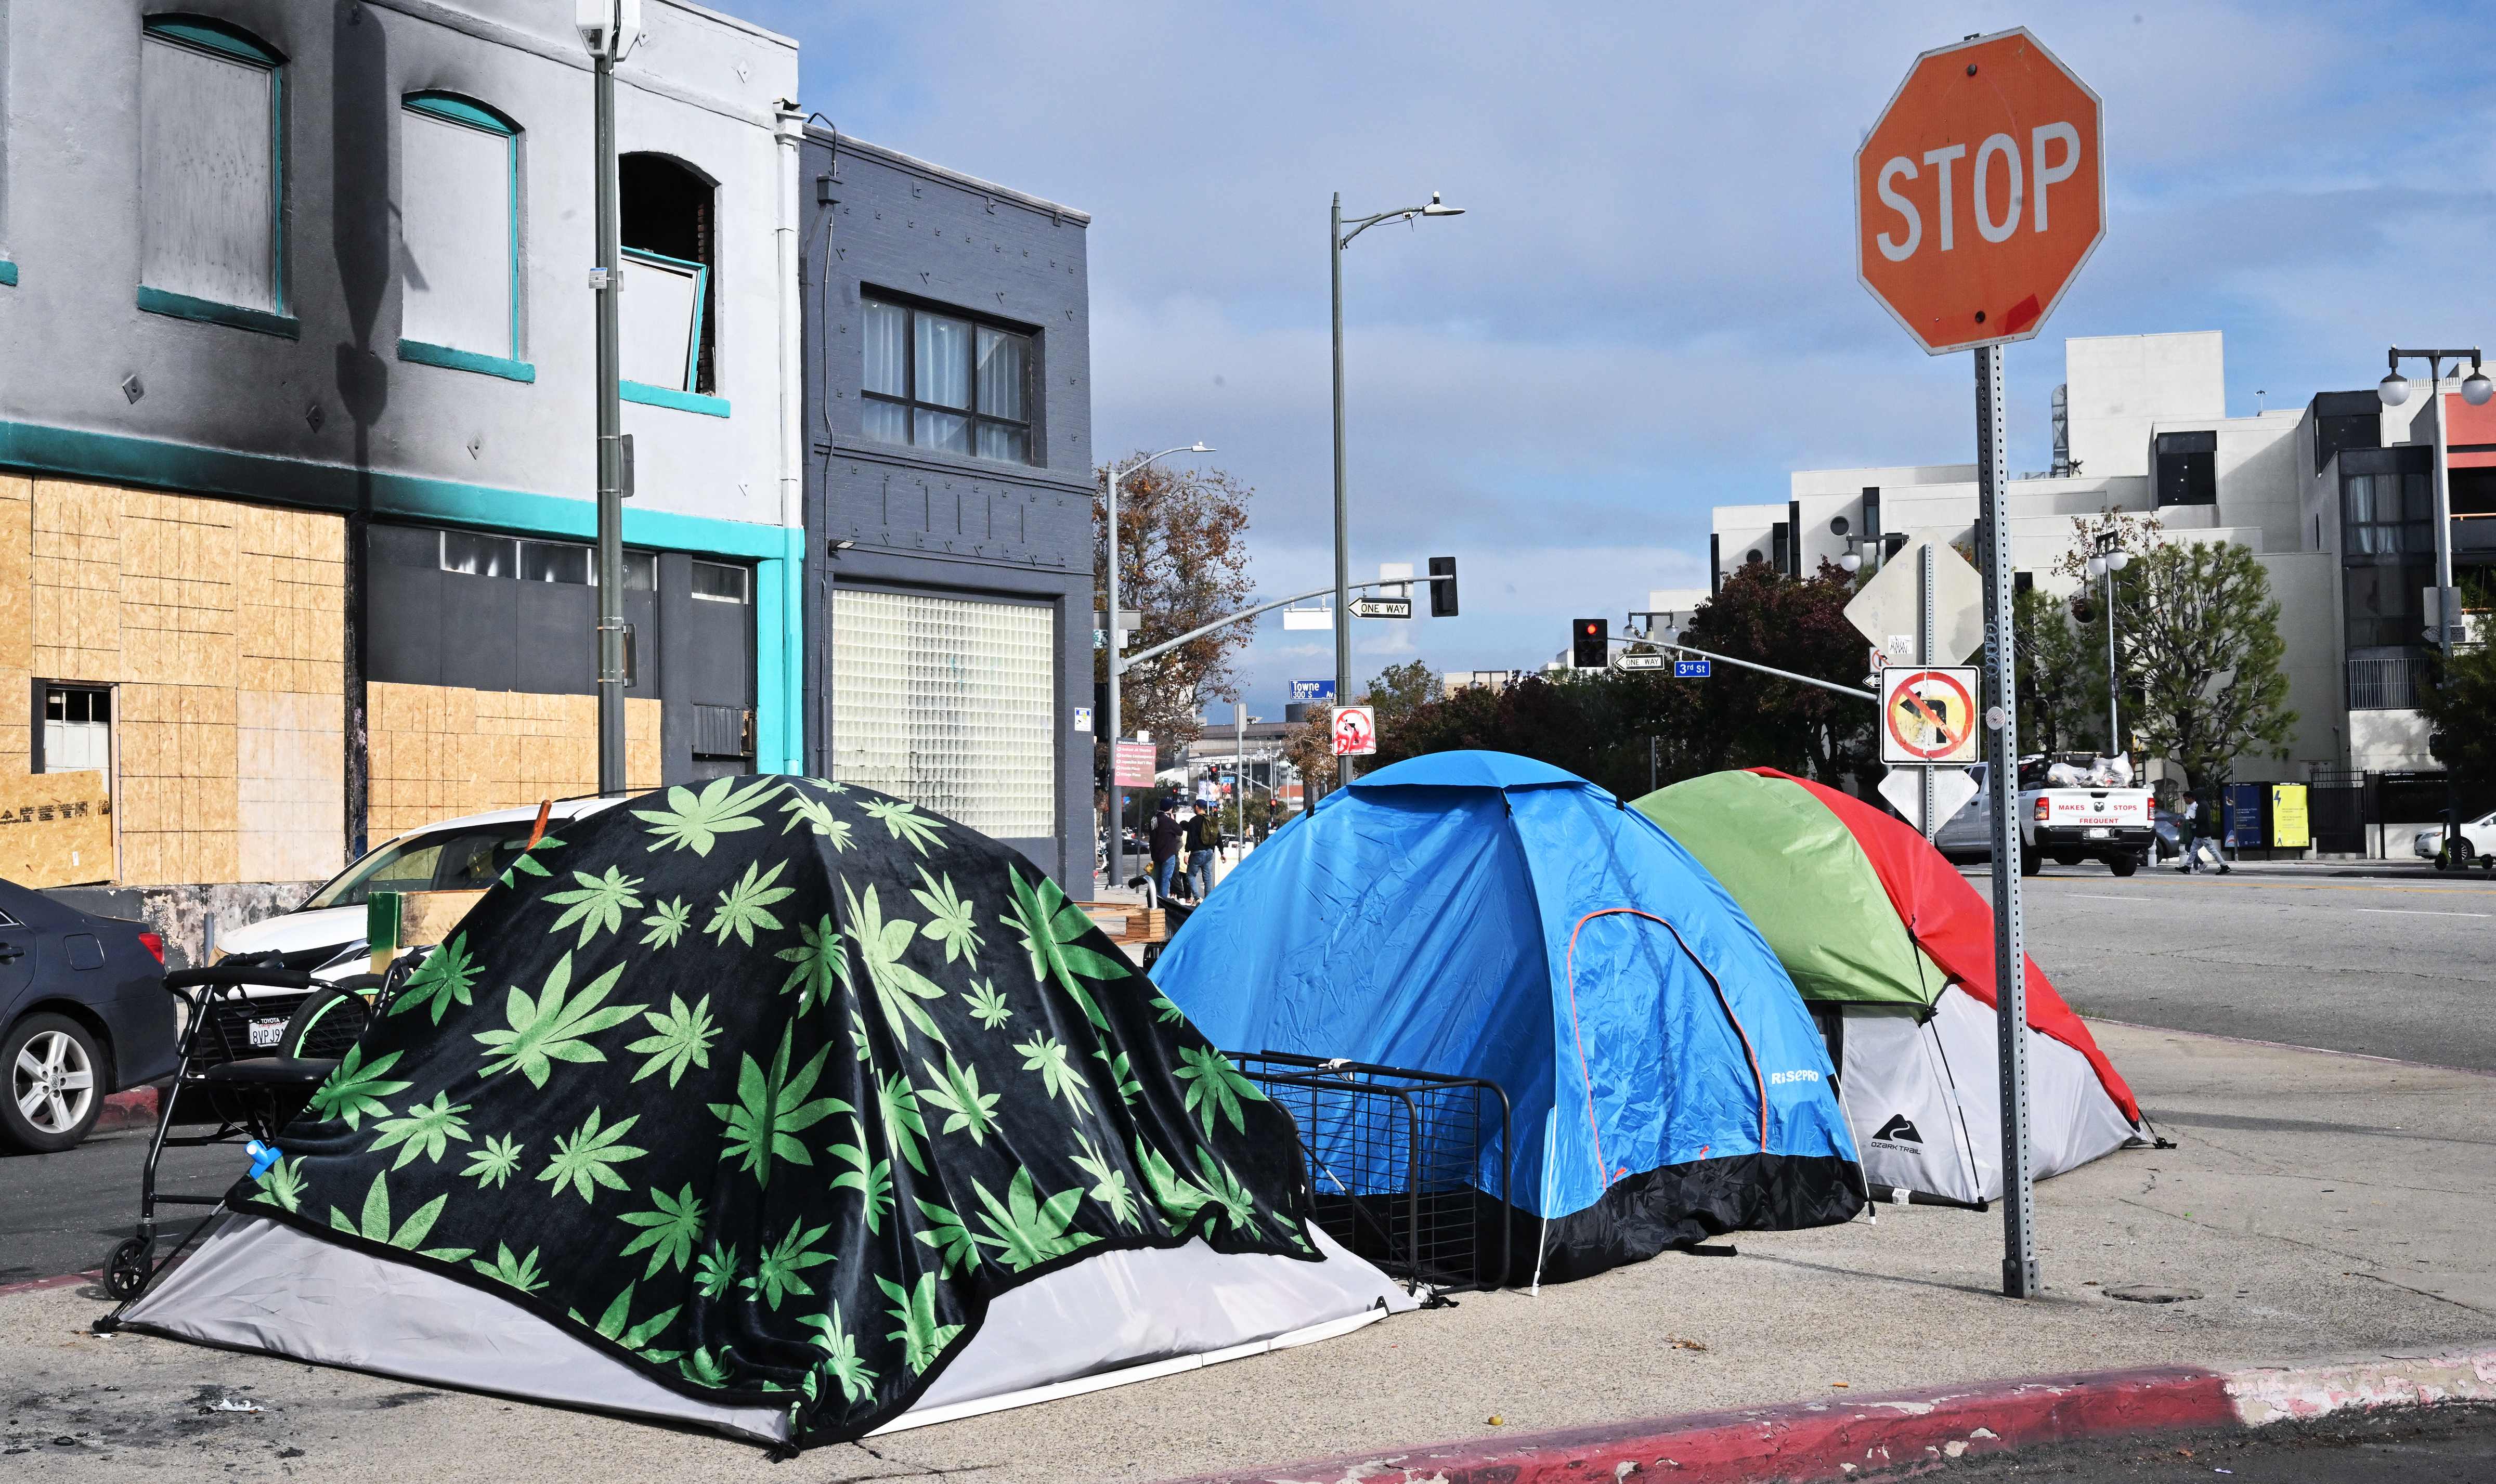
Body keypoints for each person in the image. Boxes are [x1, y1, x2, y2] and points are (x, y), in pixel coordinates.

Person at [1148, 803, 1184, 901]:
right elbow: (1180, 831)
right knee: (1165, 880)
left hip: (1157, 854)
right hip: (1168, 854)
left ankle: (1155, 900)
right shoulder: (1168, 821)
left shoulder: (1154, 820)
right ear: (1170, 809)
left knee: (1157, 879)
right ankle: (1162, 901)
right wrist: (1173, 820)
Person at [1185, 807, 1217, 900]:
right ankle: (1208, 900)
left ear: (1197, 807)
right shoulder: (1212, 820)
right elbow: (1217, 836)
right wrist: (1222, 852)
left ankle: (1197, 898)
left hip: (1198, 853)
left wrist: (1187, 852)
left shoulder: (1194, 821)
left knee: (1190, 875)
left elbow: (1190, 838)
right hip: (1209, 852)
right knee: (1208, 878)